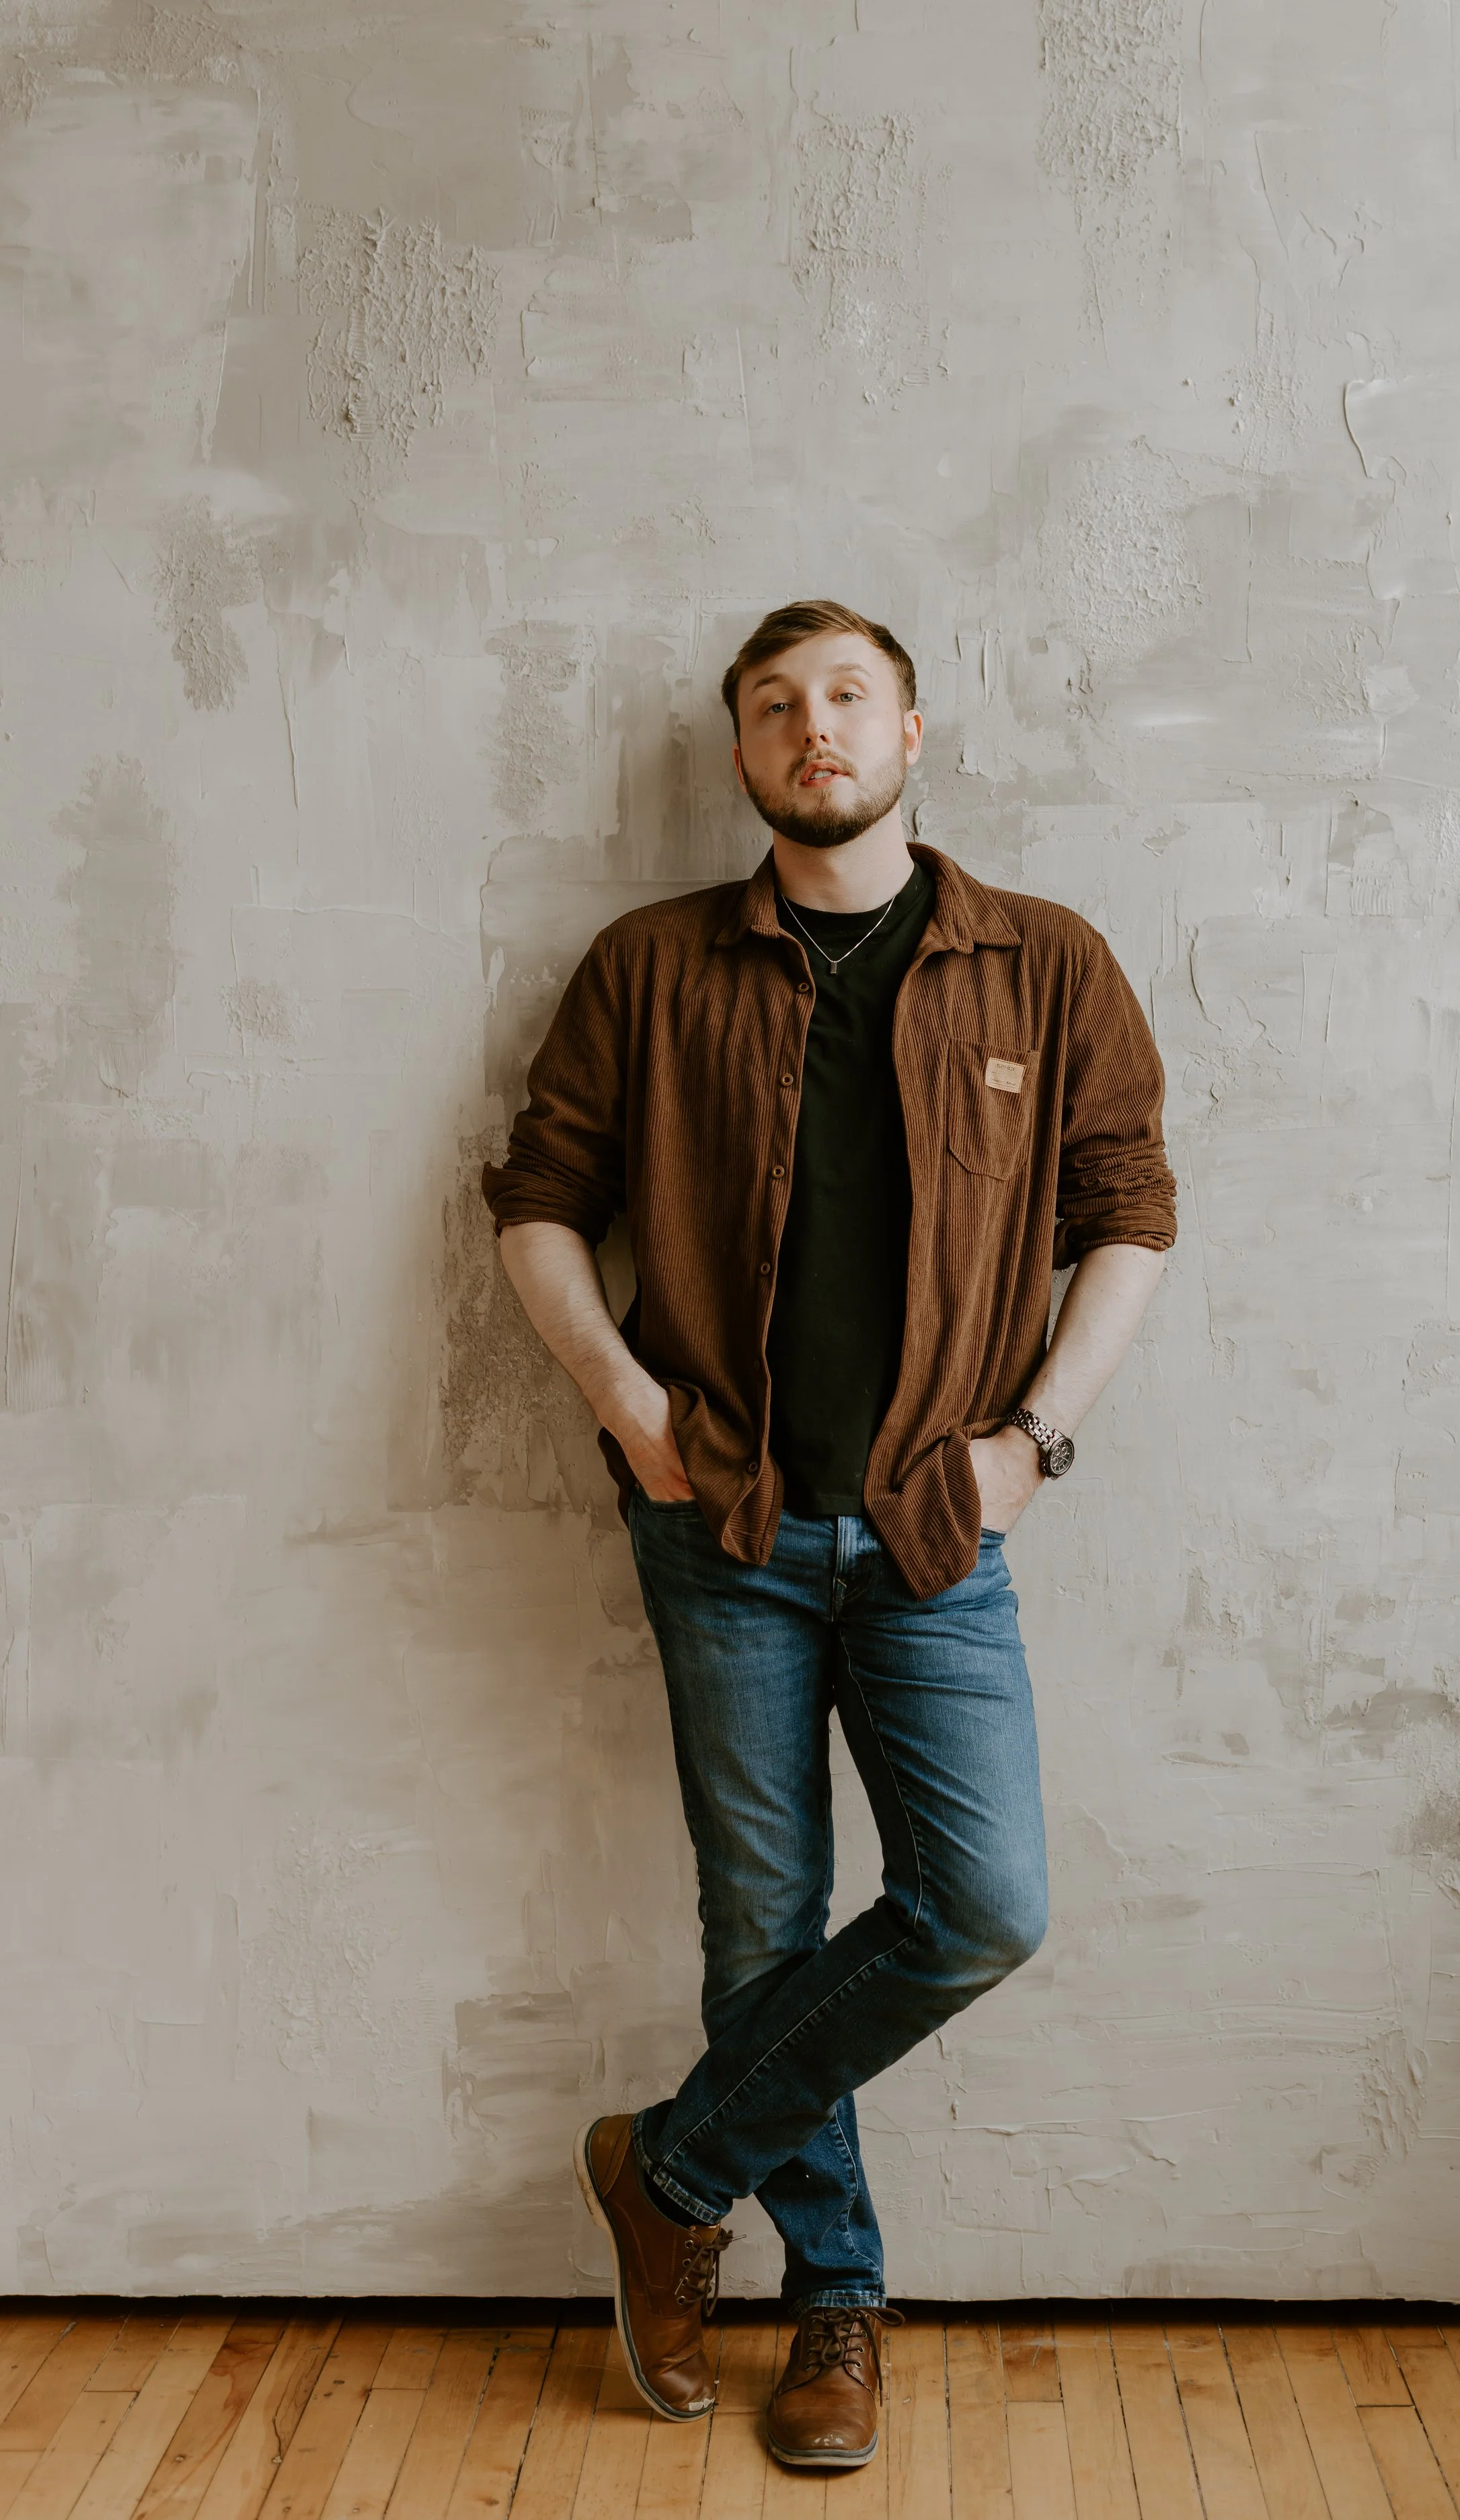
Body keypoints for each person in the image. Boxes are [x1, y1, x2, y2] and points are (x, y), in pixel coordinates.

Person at [482, 598, 1175, 2469]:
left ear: (913, 733)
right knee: (762, 1926)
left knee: (985, 1905)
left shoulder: (1042, 963)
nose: (815, 728)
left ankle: (673, 2164)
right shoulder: (647, 966)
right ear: (739, 755)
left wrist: (1036, 1437)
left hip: (941, 1521)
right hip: (719, 1519)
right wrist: (631, 1416)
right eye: (775, 706)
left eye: (846, 697)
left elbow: (1131, 1216)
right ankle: (835, 2304)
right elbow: (536, 1202)